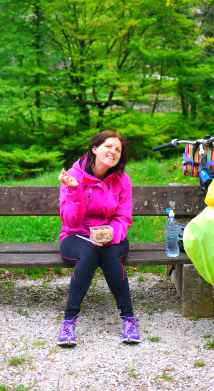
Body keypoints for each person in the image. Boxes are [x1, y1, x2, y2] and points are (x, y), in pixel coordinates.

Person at [56, 130, 139, 346]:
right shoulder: (73, 176)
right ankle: (68, 322)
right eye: (108, 146)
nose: (113, 151)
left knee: (110, 254)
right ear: (95, 148)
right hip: (77, 236)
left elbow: (123, 217)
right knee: (90, 252)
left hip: (112, 236)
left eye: (118, 149)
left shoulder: (123, 180)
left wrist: (110, 234)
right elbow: (71, 222)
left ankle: (128, 319)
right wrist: (75, 190)